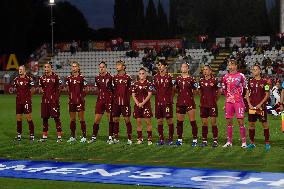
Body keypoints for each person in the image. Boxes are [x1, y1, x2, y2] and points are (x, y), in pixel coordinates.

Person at [222, 58, 247, 148]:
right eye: (229, 65)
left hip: (238, 101)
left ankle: (244, 143)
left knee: (240, 121)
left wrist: (242, 100)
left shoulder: (241, 76)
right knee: (229, 121)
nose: (231, 66)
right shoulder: (225, 77)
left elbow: (245, 89)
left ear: (236, 66)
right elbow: (225, 90)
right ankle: (229, 142)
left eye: (232, 64)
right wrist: (226, 101)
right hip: (229, 102)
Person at [246, 64, 271, 150]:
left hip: (261, 107)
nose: (254, 71)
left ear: (260, 71)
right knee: (251, 124)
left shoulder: (265, 82)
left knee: (264, 124)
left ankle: (267, 142)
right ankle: (252, 143)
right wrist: (249, 104)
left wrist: (260, 104)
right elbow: (247, 94)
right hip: (252, 107)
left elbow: (267, 95)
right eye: (253, 69)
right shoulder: (250, 81)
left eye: (256, 69)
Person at [89, 61, 114, 144]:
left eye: (103, 67)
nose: (101, 68)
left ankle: (110, 137)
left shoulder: (110, 77)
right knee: (96, 119)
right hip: (100, 100)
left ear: (105, 68)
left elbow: (113, 89)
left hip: (109, 100)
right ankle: (94, 137)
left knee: (110, 119)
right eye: (100, 67)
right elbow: (99, 88)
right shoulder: (97, 78)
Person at [175, 63, 198, 146]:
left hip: (189, 102)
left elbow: (196, 90)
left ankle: (195, 140)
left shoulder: (192, 79)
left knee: (192, 121)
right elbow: (175, 89)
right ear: (181, 68)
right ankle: (179, 139)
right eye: (182, 67)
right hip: (180, 102)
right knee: (179, 122)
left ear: (188, 69)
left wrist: (190, 96)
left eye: (185, 67)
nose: (184, 68)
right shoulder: (177, 79)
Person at [38, 63, 63, 142]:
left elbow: (60, 87)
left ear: (51, 68)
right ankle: (44, 137)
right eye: (45, 67)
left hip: (53, 102)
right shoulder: (42, 78)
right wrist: (41, 91)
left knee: (56, 118)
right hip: (45, 101)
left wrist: (56, 97)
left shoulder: (56, 77)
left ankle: (59, 137)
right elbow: (41, 88)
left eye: (47, 67)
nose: (46, 68)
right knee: (45, 118)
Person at [198, 65, 221, 147]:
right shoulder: (201, 81)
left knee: (213, 122)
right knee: (204, 123)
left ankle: (215, 140)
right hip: (203, 105)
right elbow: (200, 91)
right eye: (204, 70)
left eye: (206, 69)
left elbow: (219, 91)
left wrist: (215, 100)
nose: (205, 71)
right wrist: (202, 99)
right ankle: (204, 140)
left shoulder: (215, 80)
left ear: (210, 71)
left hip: (212, 105)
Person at [65, 62, 88, 143]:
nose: (74, 68)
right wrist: (70, 98)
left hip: (80, 102)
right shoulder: (68, 78)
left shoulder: (82, 78)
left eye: (75, 66)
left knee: (81, 119)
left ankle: (84, 136)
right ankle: (72, 136)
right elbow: (68, 89)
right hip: (71, 101)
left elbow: (86, 89)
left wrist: (81, 98)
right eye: (73, 66)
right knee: (72, 119)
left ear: (78, 68)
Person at [153, 60, 174, 145]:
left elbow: (174, 89)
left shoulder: (169, 77)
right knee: (159, 121)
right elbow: (153, 89)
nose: (159, 66)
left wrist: (170, 99)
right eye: (158, 65)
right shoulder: (155, 77)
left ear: (165, 66)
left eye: (161, 65)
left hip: (167, 103)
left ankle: (171, 139)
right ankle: (161, 139)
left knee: (169, 120)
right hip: (158, 102)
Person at [112, 60, 133, 145]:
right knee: (116, 120)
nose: (117, 66)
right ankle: (116, 137)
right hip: (116, 103)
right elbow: (113, 89)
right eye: (116, 65)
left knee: (127, 120)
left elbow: (131, 89)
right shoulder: (114, 78)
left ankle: (129, 138)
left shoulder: (128, 77)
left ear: (123, 67)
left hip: (125, 103)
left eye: (119, 65)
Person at [132, 68, 154, 145]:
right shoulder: (135, 84)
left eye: (143, 73)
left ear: (146, 74)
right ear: (138, 75)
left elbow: (149, 95)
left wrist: (142, 103)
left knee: (148, 122)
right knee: (138, 122)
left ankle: (149, 139)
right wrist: (138, 103)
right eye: (140, 73)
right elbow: (133, 95)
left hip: (146, 105)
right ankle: (140, 138)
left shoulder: (149, 83)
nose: (141, 75)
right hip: (137, 105)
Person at [13, 66, 35, 142]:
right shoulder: (16, 80)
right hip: (18, 102)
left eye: (21, 69)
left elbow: (33, 89)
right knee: (18, 119)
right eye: (19, 69)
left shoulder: (29, 79)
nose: (20, 71)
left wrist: (28, 98)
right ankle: (19, 135)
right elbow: (17, 89)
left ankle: (32, 135)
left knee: (29, 118)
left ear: (25, 71)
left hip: (26, 102)